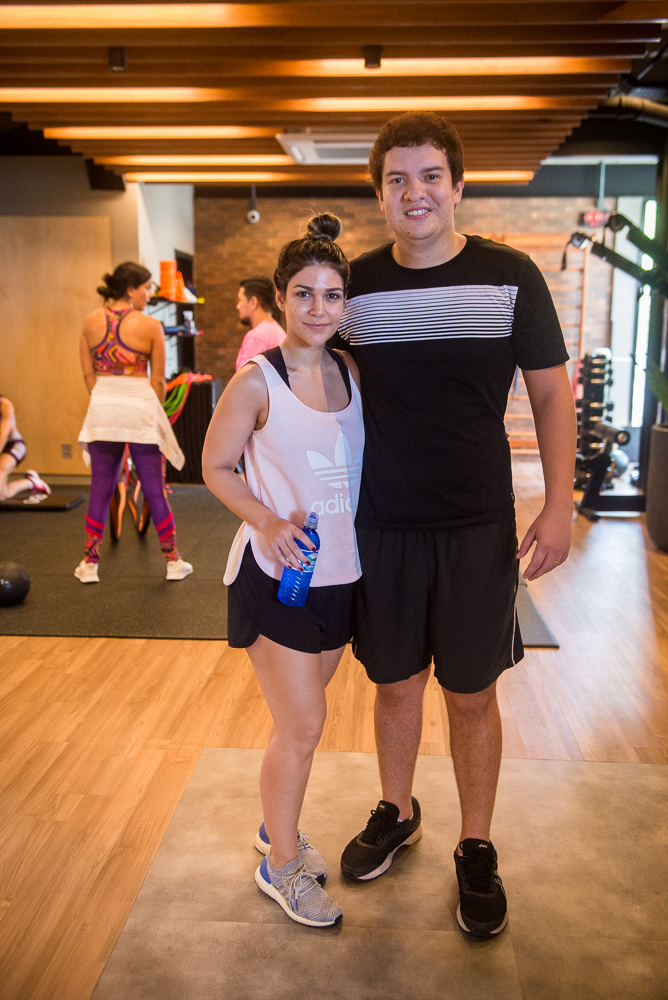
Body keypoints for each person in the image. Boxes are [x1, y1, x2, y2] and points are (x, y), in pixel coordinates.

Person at [330, 112, 577, 938]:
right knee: (395, 683)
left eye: (430, 175)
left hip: (476, 525)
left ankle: (476, 844)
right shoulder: (355, 287)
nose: (416, 192)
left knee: (470, 695)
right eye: (397, 179)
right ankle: (397, 811)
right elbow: (318, 386)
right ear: (379, 195)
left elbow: (551, 392)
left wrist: (560, 503)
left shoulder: (510, 276)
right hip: (381, 523)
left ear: (458, 185)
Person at [203, 214, 363, 928]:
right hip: (275, 575)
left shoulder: (352, 370)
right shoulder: (255, 381)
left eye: (332, 295)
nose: (319, 309)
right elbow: (214, 466)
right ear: (279, 297)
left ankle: (276, 825)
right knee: (303, 726)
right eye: (304, 294)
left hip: (341, 575)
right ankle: (281, 866)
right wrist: (267, 521)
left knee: (299, 722)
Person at [76, 261, 193, 583]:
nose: (149, 294)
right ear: (130, 289)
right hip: (141, 407)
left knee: (101, 487)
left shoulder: (90, 321)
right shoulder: (150, 325)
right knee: (154, 488)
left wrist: (106, 398)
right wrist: (155, 413)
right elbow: (158, 381)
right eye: (146, 288)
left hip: (103, 408)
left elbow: (88, 374)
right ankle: (173, 562)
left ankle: (89, 565)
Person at [0, 394, 50, 501]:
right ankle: (31, 482)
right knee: (3, 494)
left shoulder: (4, 404)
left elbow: (3, 436)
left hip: (13, 445)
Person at [235, 276, 285, 371]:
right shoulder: (278, 331)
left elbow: (246, 378)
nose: (238, 306)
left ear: (253, 302)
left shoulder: (257, 337)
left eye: (240, 300)